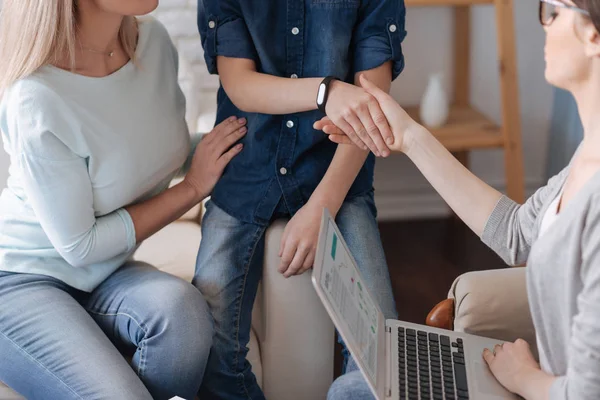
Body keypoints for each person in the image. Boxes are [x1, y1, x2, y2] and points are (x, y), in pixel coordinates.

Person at [320, 0, 600, 398]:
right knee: (355, 386)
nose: (544, 24)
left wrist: (522, 376)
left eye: (553, 11)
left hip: (543, 387)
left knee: (349, 394)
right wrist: (409, 137)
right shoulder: (587, 157)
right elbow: (516, 233)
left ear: (593, 35)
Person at [0, 1, 245, 399]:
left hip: (108, 272)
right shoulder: (36, 97)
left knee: (183, 315)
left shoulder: (153, 43)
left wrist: (245, 144)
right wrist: (192, 189)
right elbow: (81, 246)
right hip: (23, 279)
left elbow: (158, 157)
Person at [195, 0, 406, 398]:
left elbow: (371, 107)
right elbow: (240, 85)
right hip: (246, 174)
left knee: (381, 356)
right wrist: (327, 91)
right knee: (213, 347)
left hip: (336, 177)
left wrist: (322, 206)